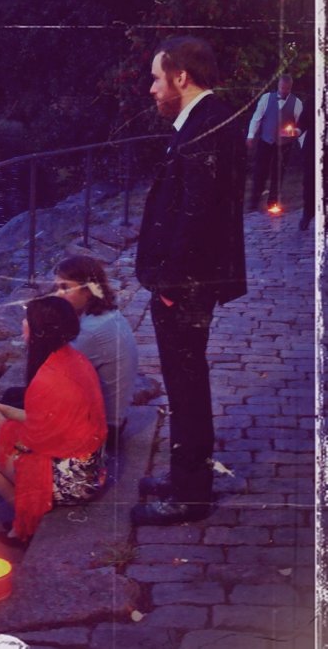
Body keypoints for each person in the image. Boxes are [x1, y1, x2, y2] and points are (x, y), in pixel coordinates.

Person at [134, 36, 246, 526]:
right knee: (186, 383)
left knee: (186, 385)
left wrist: (170, 286)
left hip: (186, 286)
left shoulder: (207, 125)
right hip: (187, 282)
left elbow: (197, 218)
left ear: (181, 77)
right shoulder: (202, 121)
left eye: (157, 78)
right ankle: (186, 475)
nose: (152, 88)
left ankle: (190, 495)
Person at [0, 296, 107, 542]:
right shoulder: (75, 359)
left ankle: (26, 520)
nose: (23, 323)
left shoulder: (47, 378)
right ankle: (25, 514)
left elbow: (29, 444)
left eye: (27, 319)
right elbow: (46, 422)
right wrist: (1, 408)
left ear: (39, 331)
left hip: (70, 482)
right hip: (89, 471)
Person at [53, 255, 138, 450]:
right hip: (115, 418)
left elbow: (52, 374)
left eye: (65, 288)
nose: (58, 294)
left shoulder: (91, 330)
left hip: (105, 428)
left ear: (88, 290)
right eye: (56, 288)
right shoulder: (107, 315)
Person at [247, 74, 303, 211]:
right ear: (278, 85)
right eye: (282, 88)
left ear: (290, 88)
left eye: (286, 89)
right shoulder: (266, 98)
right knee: (260, 172)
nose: (283, 91)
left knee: (278, 174)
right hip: (265, 141)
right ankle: (253, 203)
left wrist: (299, 140)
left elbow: (301, 126)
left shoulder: (297, 103)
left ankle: (273, 203)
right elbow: (256, 118)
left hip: (284, 145)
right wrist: (251, 135)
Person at [297, 92, 315, 231]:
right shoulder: (312, 100)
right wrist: (297, 130)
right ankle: (308, 213)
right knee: (309, 181)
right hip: (313, 148)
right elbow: (303, 122)